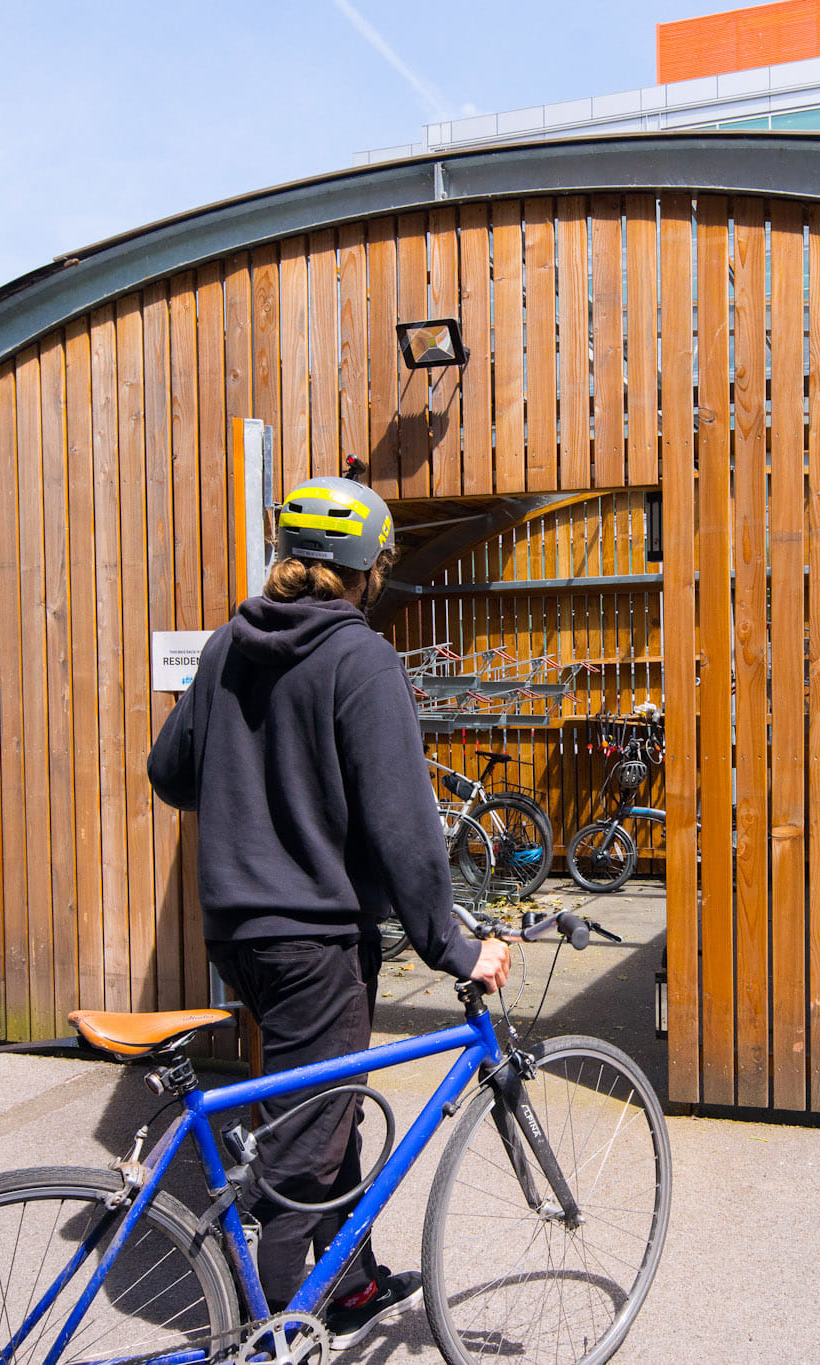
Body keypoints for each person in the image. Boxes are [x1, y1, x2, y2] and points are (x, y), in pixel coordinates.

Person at [147, 475, 510, 1347]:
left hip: (238, 933)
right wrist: (454, 947)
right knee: (301, 1152)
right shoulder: (360, 659)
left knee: (326, 1100)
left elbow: (170, 772)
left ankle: (350, 1283)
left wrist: (252, 781)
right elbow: (403, 825)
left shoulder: (227, 646)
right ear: (368, 570)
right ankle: (266, 1334)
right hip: (315, 939)